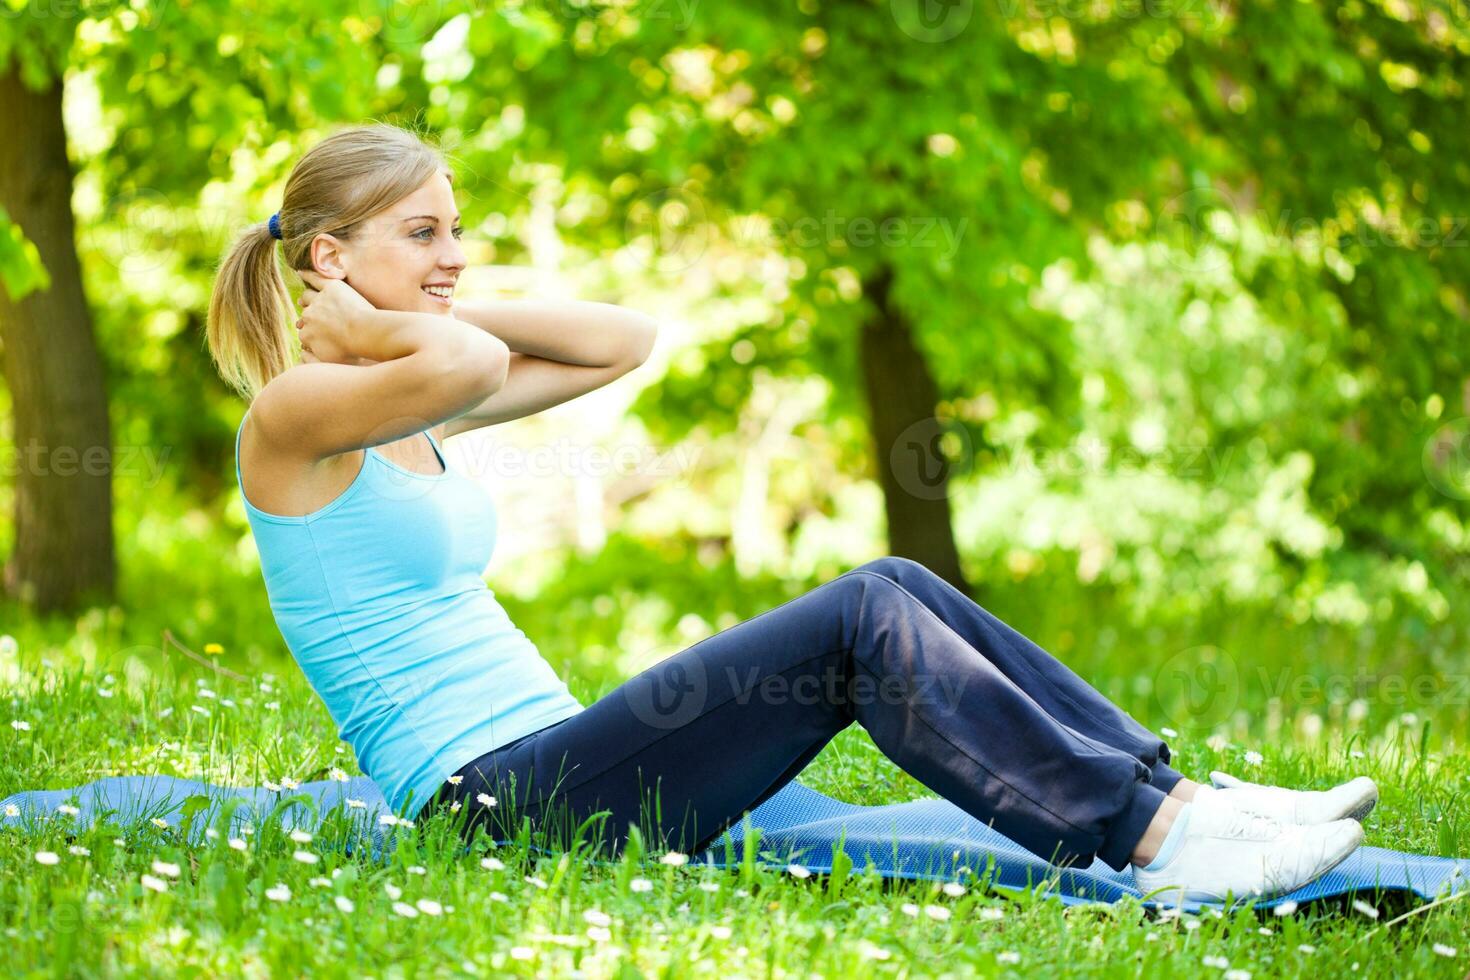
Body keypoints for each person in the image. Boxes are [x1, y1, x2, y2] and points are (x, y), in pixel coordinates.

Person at [207, 123, 1374, 905]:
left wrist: (405, 304)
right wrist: (379, 325)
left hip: (557, 759)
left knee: (901, 586)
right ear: (329, 254)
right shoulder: (300, 414)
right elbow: (462, 363)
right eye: (425, 234)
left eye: (457, 228)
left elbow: (623, 340)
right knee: (865, 613)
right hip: (499, 809)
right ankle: (1159, 851)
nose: (455, 256)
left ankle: (1174, 795)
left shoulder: (405, 398)